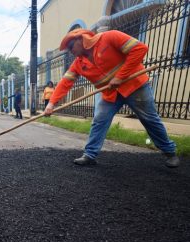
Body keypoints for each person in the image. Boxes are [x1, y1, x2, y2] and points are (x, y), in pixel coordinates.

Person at [44, 29, 179, 168]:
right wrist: (51, 104)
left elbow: (139, 49)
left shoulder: (109, 37)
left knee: (149, 119)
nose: (70, 51)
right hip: (111, 94)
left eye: (71, 46)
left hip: (135, 86)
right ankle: (90, 155)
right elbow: (65, 83)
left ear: (80, 39)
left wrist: (120, 77)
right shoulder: (79, 63)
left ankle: (170, 152)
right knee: (99, 121)